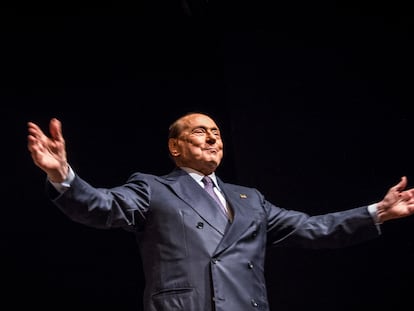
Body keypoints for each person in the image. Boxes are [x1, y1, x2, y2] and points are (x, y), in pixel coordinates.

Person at [27, 112, 414, 311]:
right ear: (175, 148)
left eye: (216, 132)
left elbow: (312, 228)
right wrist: (64, 177)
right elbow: (102, 207)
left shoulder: (250, 199)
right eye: (199, 131)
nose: (212, 136)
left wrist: (376, 212)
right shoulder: (154, 187)